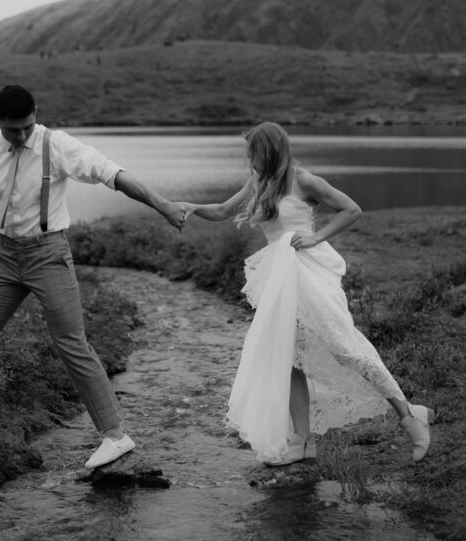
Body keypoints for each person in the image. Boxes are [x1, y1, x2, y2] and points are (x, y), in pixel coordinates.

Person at [0, 84, 187, 469]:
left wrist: (163, 205)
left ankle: (116, 436)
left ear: (36, 113)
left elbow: (112, 174)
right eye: (12, 129)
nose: (21, 136)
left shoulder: (57, 145)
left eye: (27, 127)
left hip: (48, 253)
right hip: (4, 258)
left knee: (71, 342)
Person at [181, 122, 433, 466]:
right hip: (279, 280)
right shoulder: (259, 183)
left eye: (252, 151)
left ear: (267, 150)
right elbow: (223, 211)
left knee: (346, 347)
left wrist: (315, 237)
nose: (248, 159)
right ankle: (302, 440)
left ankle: (409, 417)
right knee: (289, 358)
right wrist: (189, 207)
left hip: (308, 274)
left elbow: (351, 209)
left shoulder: (303, 179)